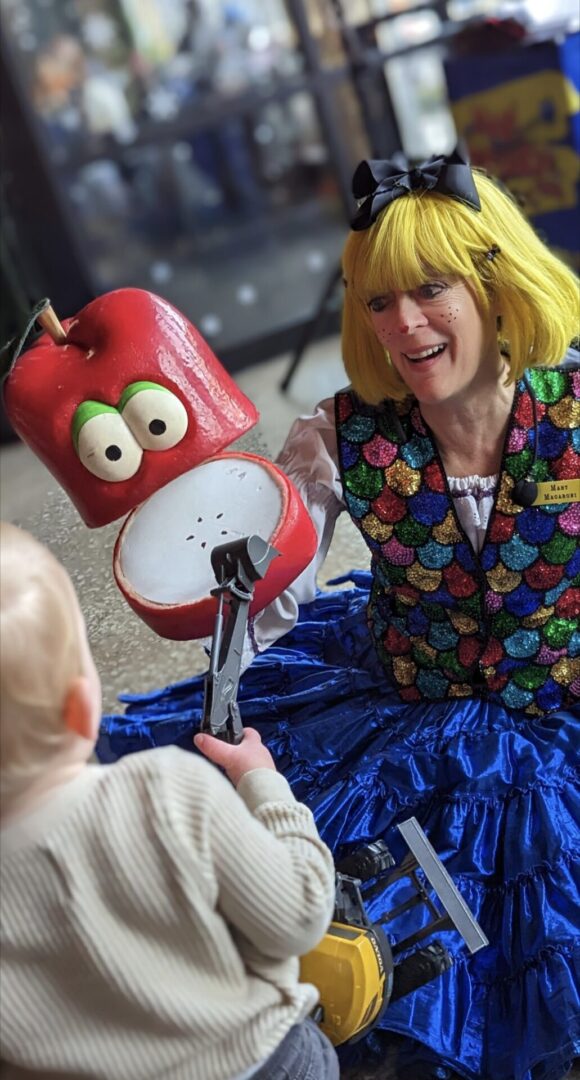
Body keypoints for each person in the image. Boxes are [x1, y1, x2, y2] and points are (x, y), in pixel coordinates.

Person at [100, 148, 580, 1080]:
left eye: (429, 290)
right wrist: (211, 575)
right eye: (376, 301)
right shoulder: (337, 433)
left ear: (494, 283)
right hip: (406, 694)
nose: (403, 325)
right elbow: (271, 595)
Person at [0, 522, 339, 1080]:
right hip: (262, 1060)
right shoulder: (168, 791)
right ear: (83, 707)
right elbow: (298, 918)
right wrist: (264, 786)